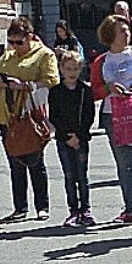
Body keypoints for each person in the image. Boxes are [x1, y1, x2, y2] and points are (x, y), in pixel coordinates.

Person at [0, 17, 59, 222]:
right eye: (11, 42)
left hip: (30, 115)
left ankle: (42, 206)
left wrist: (23, 84)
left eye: (19, 42)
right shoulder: (7, 57)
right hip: (7, 117)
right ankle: (20, 207)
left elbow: (52, 81)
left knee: (35, 161)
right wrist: (0, 85)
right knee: (14, 162)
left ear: (30, 37)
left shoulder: (44, 54)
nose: (14, 46)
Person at [90, 14, 132, 224]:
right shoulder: (101, 61)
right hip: (112, 115)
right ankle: (129, 207)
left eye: (127, 30)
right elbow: (95, 91)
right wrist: (108, 88)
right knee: (122, 162)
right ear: (110, 35)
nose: (127, 33)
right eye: (122, 31)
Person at [49, 51, 96, 227]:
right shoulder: (56, 92)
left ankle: (86, 209)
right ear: (61, 69)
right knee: (69, 175)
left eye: (75, 69)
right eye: (68, 69)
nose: (72, 73)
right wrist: (66, 137)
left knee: (82, 175)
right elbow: (54, 117)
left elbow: (89, 115)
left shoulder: (85, 90)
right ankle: (73, 210)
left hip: (81, 139)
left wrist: (80, 136)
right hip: (63, 140)